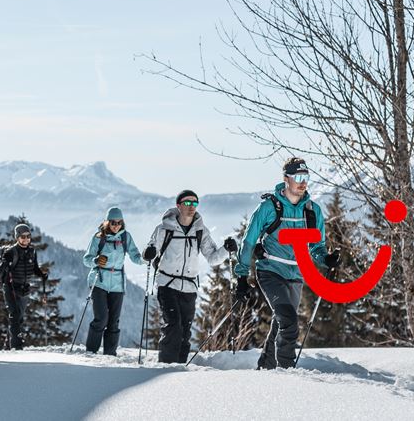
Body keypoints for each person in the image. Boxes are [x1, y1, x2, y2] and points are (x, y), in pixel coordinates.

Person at [235, 157, 340, 369]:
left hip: (296, 274)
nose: (303, 182)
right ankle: (286, 372)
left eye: (306, 177)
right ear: (286, 179)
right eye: (298, 177)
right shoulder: (269, 207)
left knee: (282, 322)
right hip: (270, 271)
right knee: (289, 322)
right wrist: (242, 277)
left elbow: (316, 246)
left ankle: (265, 366)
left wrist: (326, 259)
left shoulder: (312, 210)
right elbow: (248, 241)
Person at [142, 190, 238, 364]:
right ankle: (165, 367)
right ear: (178, 205)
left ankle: (179, 368)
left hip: (189, 287)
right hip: (167, 284)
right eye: (187, 203)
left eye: (195, 203)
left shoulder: (200, 231)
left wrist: (227, 249)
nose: (191, 206)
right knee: (173, 327)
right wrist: (148, 253)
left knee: (185, 331)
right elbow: (150, 250)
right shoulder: (164, 229)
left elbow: (212, 258)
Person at [81, 207, 142, 356]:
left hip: (117, 284)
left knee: (113, 322)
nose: (116, 225)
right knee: (101, 319)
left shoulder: (125, 237)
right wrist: (96, 260)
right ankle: (91, 352)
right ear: (107, 222)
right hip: (99, 281)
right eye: (113, 222)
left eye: (119, 222)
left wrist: (146, 259)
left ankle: (110, 354)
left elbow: (136, 256)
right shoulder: (98, 237)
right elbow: (86, 259)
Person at [0, 223, 48, 350]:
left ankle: (7, 347)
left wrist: (41, 274)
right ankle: (16, 348)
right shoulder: (10, 252)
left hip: (24, 289)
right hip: (11, 288)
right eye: (22, 236)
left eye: (28, 236)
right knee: (14, 315)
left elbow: (34, 268)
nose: (26, 239)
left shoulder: (32, 251)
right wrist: (5, 263)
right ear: (17, 237)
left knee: (18, 319)